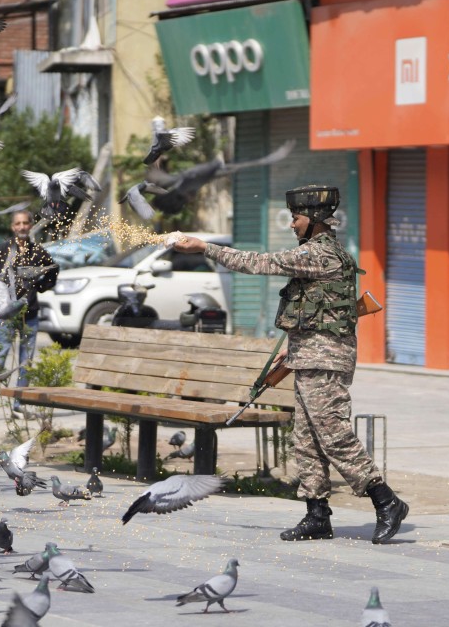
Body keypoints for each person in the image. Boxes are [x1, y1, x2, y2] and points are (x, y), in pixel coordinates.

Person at [174, 185, 408, 544]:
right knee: (307, 438)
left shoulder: (319, 255)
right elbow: (316, 310)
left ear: (314, 220)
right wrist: (292, 347)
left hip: (326, 359)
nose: (292, 225)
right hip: (309, 353)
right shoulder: (320, 252)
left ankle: (385, 500)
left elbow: (258, 263)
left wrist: (205, 247)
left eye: (296, 218)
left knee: (333, 435)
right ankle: (317, 513)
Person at [0, 209, 57, 415]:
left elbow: (53, 270)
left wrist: (40, 288)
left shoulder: (38, 252)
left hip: (29, 315)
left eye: (25, 223)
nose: (22, 227)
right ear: (12, 227)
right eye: (18, 224)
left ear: (30, 225)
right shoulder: (0, 251)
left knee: (26, 362)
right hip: (5, 317)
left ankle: (19, 404)